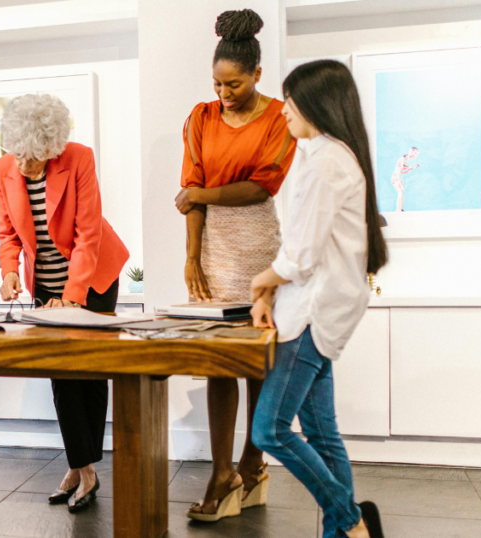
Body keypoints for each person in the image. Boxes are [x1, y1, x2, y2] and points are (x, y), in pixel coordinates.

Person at [250, 59, 388, 538]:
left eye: (290, 100)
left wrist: (262, 281)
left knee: (268, 431)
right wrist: (273, 286)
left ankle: (350, 520)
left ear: (316, 104)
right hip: (320, 310)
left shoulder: (328, 158)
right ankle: (343, 532)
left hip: (311, 314)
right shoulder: (330, 154)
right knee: (323, 434)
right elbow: (307, 248)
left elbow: (302, 253)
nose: (283, 109)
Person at [174, 9, 297, 523]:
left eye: (235, 84)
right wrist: (191, 255)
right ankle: (222, 472)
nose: (225, 93)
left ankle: (253, 462)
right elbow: (190, 196)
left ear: (258, 75)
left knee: (256, 361)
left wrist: (198, 192)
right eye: (218, 84)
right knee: (215, 360)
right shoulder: (200, 118)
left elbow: (260, 188)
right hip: (215, 249)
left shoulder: (277, 117)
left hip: (259, 245)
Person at [0, 93, 129, 514]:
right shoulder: (1, 169)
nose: (24, 166)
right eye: (18, 155)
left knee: (88, 370)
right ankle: (81, 468)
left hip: (94, 279)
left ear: (52, 150)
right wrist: (10, 271)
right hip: (44, 285)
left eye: (34, 159)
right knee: (59, 372)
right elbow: (8, 234)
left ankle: (82, 468)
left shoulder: (79, 159)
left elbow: (88, 236)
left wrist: (71, 300)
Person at [390, 147, 420, 211]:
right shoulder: (402, 159)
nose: (416, 155)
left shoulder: (406, 161)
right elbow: (402, 168)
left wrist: (409, 169)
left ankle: (400, 208)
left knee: (401, 192)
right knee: (401, 192)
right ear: (412, 152)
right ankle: (399, 209)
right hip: (396, 177)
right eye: (415, 153)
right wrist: (412, 166)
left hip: (398, 177)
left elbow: (403, 171)